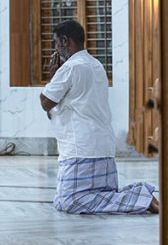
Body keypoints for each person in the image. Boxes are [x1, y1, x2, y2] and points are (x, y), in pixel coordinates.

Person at [39, 19, 160, 214]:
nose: (55, 48)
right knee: (102, 193)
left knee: (68, 202)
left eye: (55, 43)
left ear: (64, 41)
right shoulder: (95, 64)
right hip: (103, 150)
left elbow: (45, 101)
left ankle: (140, 196)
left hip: (81, 151)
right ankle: (140, 195)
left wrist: (54, 75)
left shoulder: (70, 67)